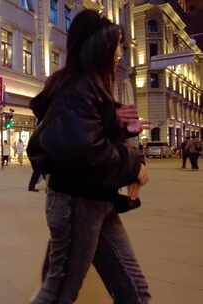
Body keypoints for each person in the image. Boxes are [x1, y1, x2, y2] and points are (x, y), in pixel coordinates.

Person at [27, 10, 150, 304]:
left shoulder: (89, 88)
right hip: (76, 204)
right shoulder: (77, 90)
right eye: (117, 45)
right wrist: (133, 166)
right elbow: (84, 150)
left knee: (135, 291)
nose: (120, 54)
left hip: (96, 201)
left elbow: (93, 136)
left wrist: (124, 134)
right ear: (100, 47)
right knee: (58, 292)